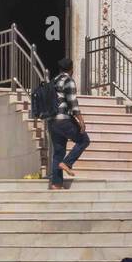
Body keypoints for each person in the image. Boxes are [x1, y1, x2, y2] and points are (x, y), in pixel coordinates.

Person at [47, 56, 90, 190]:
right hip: (64, 120)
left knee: (58, 152)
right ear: (71, 69)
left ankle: (56, 184)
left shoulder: (52, 81)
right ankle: (67, 163)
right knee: (84, 140)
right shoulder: (68, 81)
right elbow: (73, 103)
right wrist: (81, 121)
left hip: (52, 122)